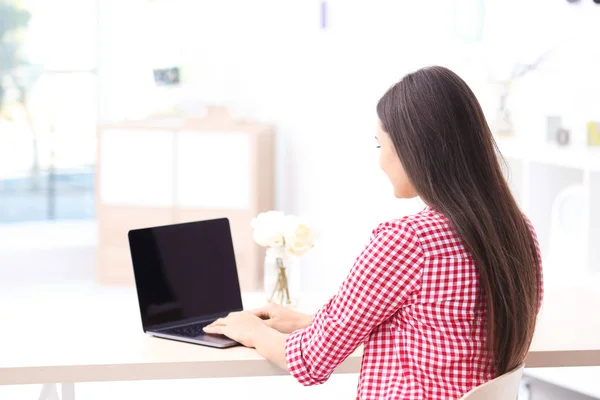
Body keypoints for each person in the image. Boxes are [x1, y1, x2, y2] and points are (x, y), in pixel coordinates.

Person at [203, 66, 544, 399]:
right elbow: (436, 330)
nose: (380, 162)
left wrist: (250, 331)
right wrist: (307, 321)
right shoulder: (518, 232)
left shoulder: (409, 240)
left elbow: (310, 359)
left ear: (415, 149)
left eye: (381, 146)